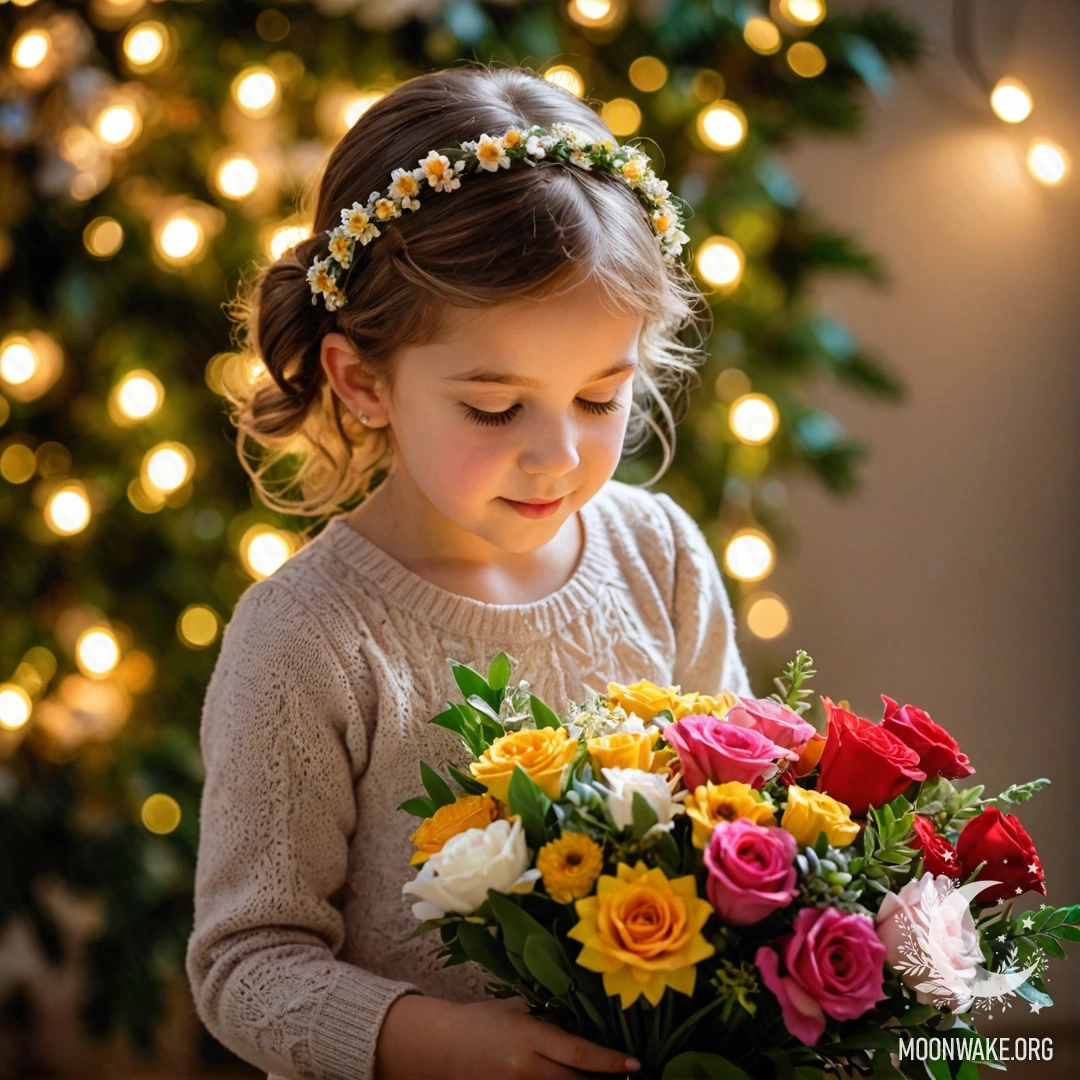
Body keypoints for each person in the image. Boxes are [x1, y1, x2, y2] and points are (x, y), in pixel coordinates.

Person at [185, 61, 753, 1080]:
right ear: (362, 380)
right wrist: (437, 1044)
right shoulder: (306, 639)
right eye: (496, 408)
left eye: (600, 396)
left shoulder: (660, 555)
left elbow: (747, 822)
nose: (558, 456)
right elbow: (246, 966)